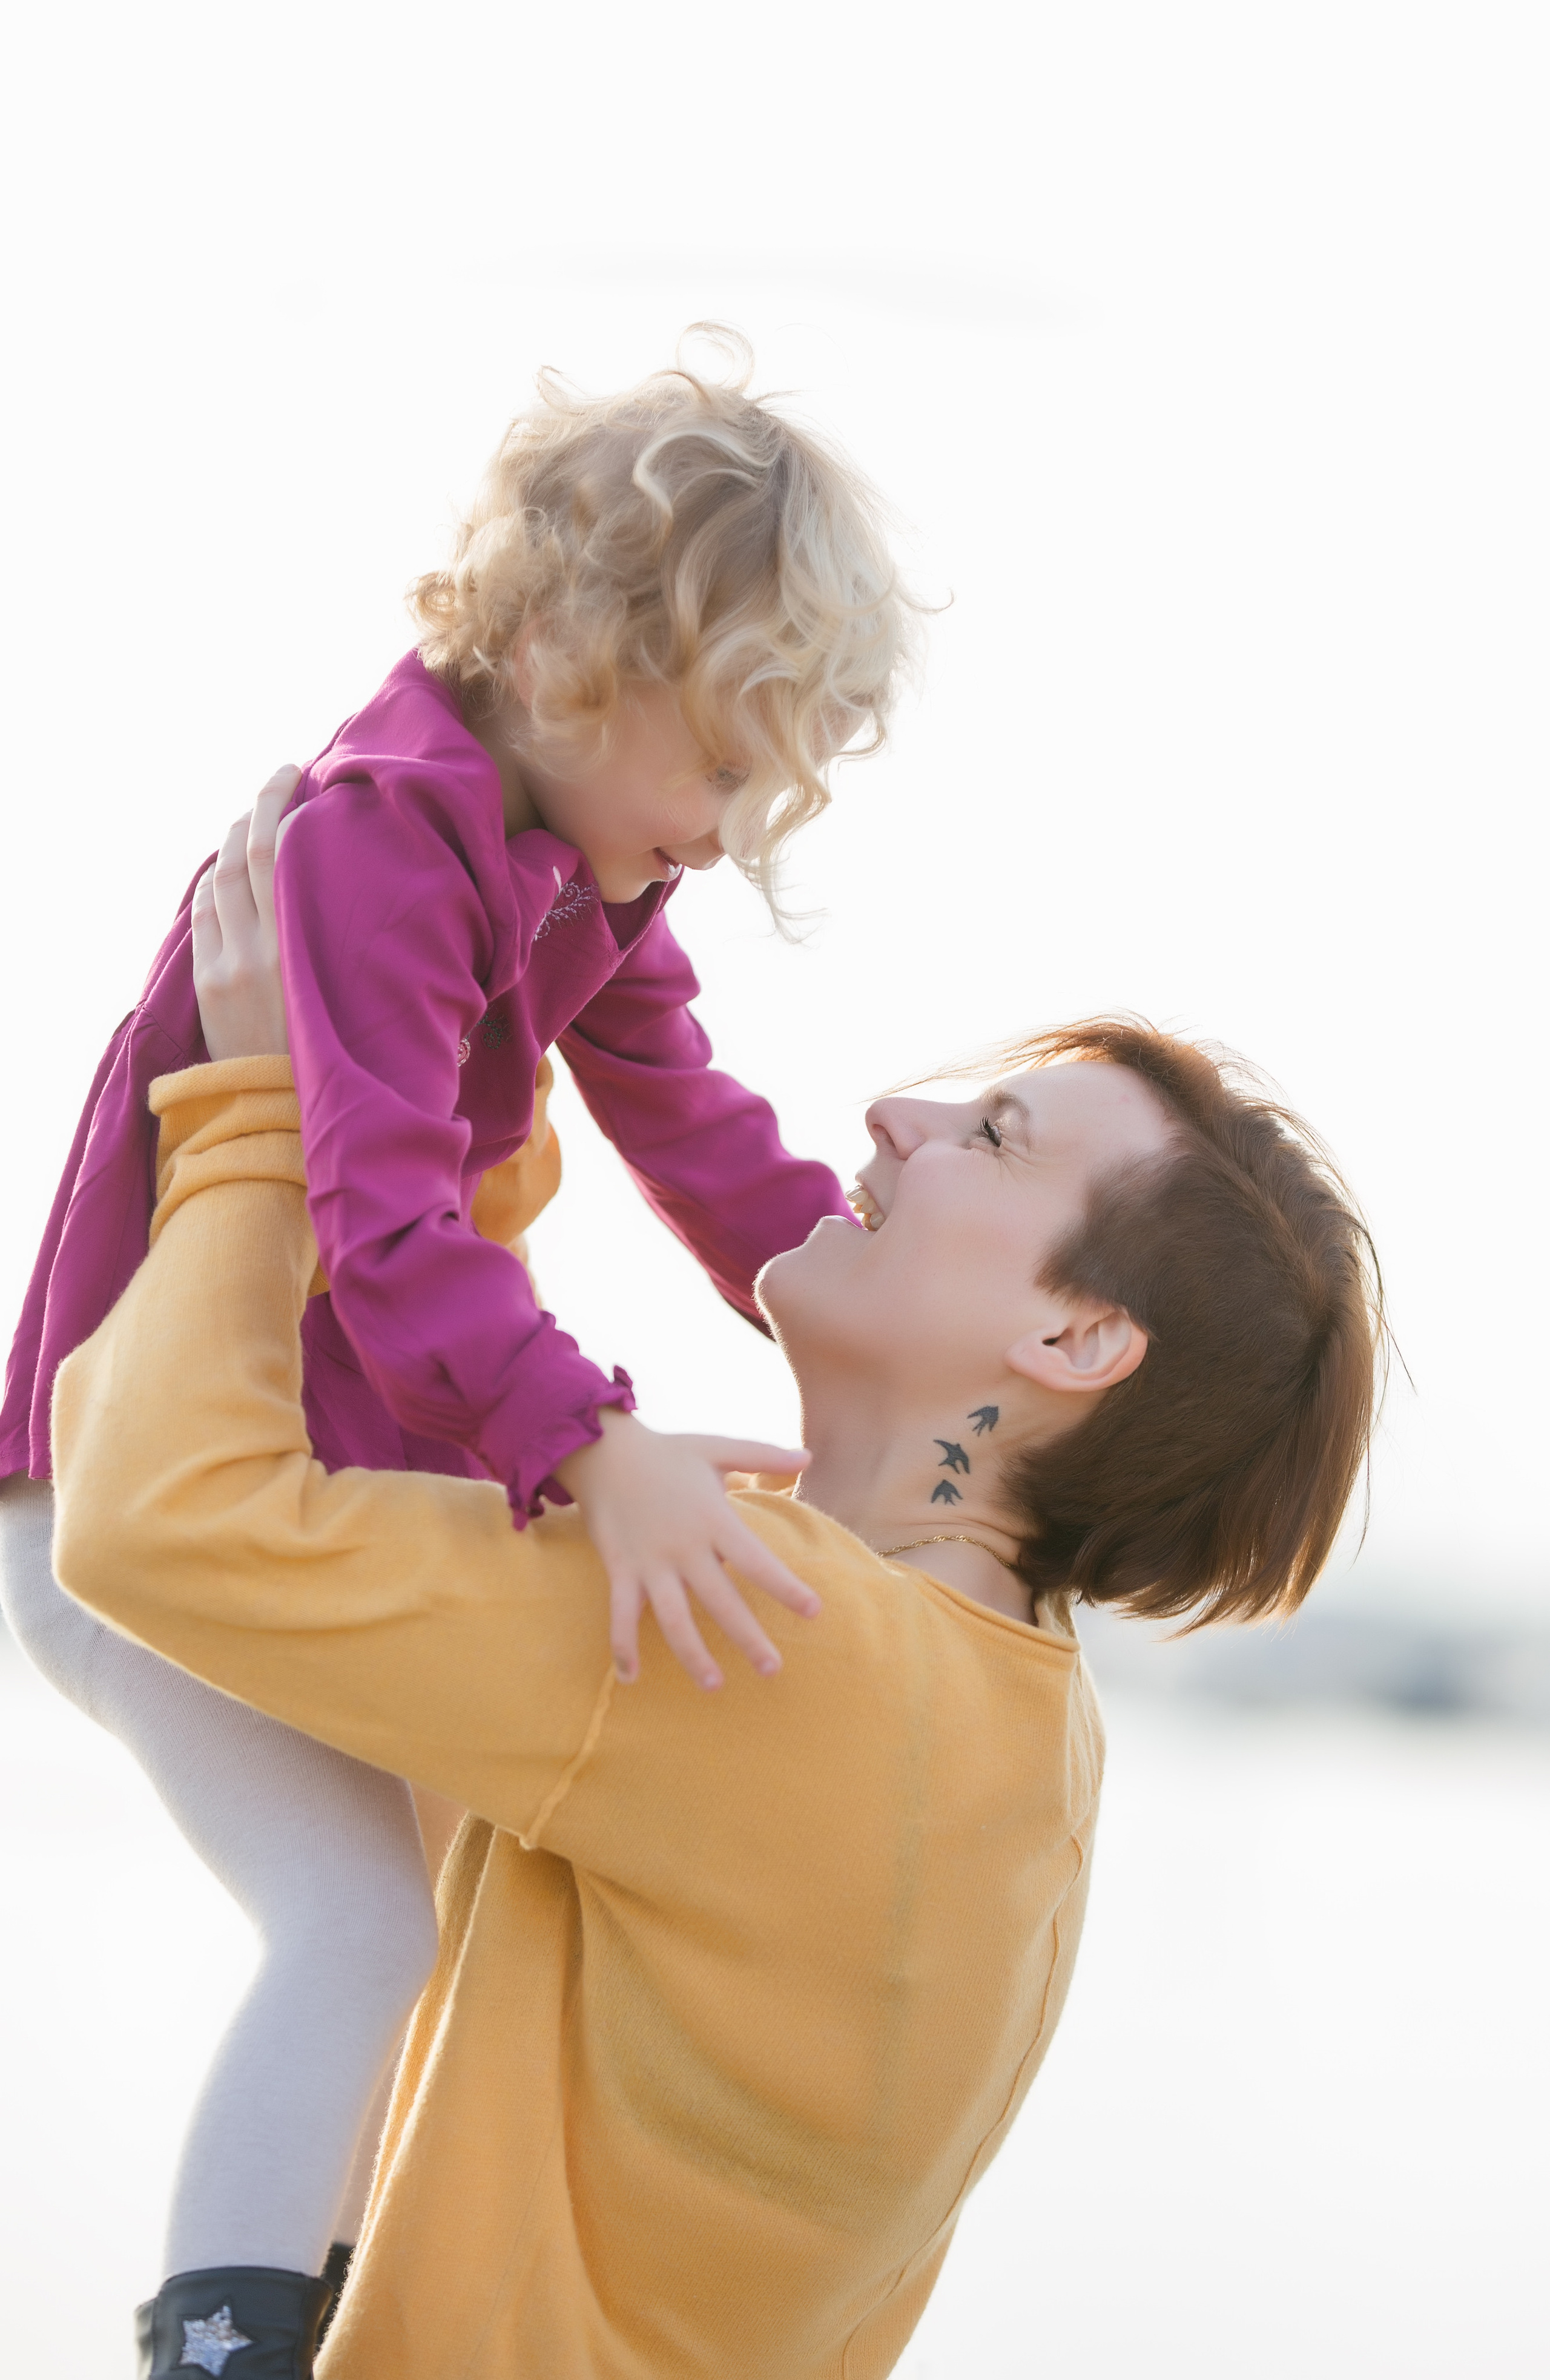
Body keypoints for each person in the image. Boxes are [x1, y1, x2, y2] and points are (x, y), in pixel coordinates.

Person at [44, 806, 1381, 2377]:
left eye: (998, 1138)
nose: (897, 1114)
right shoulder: (1014, 1734)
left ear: (1078, 1344)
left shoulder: (767, 1638)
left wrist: (268, 1104)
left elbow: (155, 1517)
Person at [0, 335, 914, 2368]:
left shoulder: (577, 855)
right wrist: (602, 1452)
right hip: (118, 1489)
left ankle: (315, 2320)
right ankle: (220, 2348)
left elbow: (694, 1124)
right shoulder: (377, 844)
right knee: (361, 1930)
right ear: (588, 669)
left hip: (320, 1483)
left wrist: (873, 1318)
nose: (741, 825)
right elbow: (388, 1228)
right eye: (733, 762)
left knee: (419, 1950)